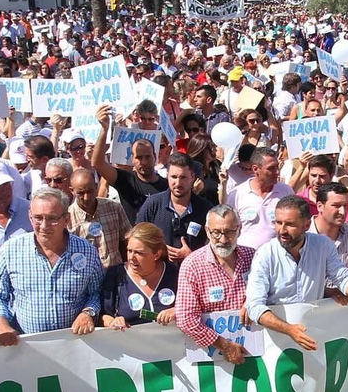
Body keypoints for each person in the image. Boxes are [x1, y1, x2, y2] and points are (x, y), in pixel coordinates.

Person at [244, 197, 348, 350]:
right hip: (275, 342)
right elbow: (254, 306)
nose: (282, 230)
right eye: (278, 223)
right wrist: (289, 329)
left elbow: (344, 280)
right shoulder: (265, 254)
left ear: (306, 225)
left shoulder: (323, 245)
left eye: (290, 224)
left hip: (312, 336)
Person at [0, 188, 103, 342]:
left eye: (52, 218)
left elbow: (97, 292)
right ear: (30, 217)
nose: (44, 225)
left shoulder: (86, 251)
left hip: (75, 344)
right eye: (38, 218)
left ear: (66, 219)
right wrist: (0, 324)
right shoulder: (10, 250)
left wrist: (88, 312)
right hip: (25, 344)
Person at [174, 205, 256, 362]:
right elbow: (186, 319)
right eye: (216, 233)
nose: (223, 240)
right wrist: (224, 345)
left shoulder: (254, 257)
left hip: (255, 351)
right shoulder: (192, 265)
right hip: (211, 360)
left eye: (229, 232)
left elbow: (273, 294)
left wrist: (253, 300)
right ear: (207, 230)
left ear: (239, 229)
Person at [98, 223, 179, 330]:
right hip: (130, 345)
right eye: (129, 250)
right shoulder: (115, 275)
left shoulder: (175, 273)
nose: (131, 257)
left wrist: (177, 311)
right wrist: (113, 322)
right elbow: (102, 315)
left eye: (139, 253)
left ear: (157, 255)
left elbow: (195, 306)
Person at [136, 153, 214, 263]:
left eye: (183, 177)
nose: (178, 183)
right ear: (167, 176)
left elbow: (214, 248)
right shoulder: (153, 204)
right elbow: (137, 239)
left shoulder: (205, 208)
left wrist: (191, 257)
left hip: (194, 274)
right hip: (159, 274)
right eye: (174, 177)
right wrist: (158, 251)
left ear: (192, 177)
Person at [91, 106, 167, 219]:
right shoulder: (126, 181)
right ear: (132, 159)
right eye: (139, 157)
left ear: (155, 157)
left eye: (148, 157)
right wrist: (104, 130)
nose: (144, 162)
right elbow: (97, 163)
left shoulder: (167, 186)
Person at [69, 166, 130, 268]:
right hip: (88, 277)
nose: (86, 197)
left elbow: (126, 240)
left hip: (116, 273)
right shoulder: (67, 218)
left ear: (96, 186)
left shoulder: (114, 208)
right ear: (72, 190)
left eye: (90, 191)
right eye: (81, 193)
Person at [309, 181, 348, 273]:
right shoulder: (304, 235)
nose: (343, 212)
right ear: (320, 206)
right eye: (336, 206)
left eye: (346, 206)